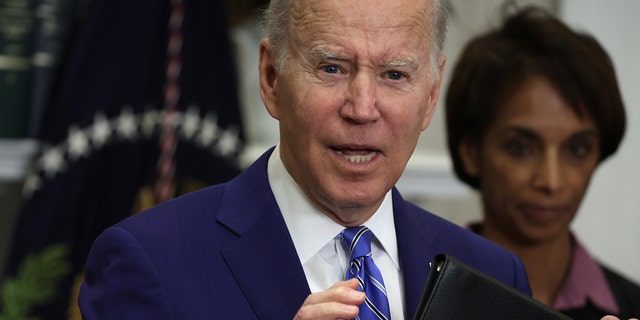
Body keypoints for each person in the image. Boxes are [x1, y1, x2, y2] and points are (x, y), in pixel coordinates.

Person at [76, 0, 539, 318]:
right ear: (272, 78)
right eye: (332, 67)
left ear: (431, 95)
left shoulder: (494, 279)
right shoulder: (149, 262)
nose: (361, 108)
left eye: (394, 74)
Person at [445, 5, 640, 320]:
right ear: (471, 152)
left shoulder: (632, 305)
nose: (551, 181)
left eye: (577, 150)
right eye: (521, 147)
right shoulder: (409, 291)